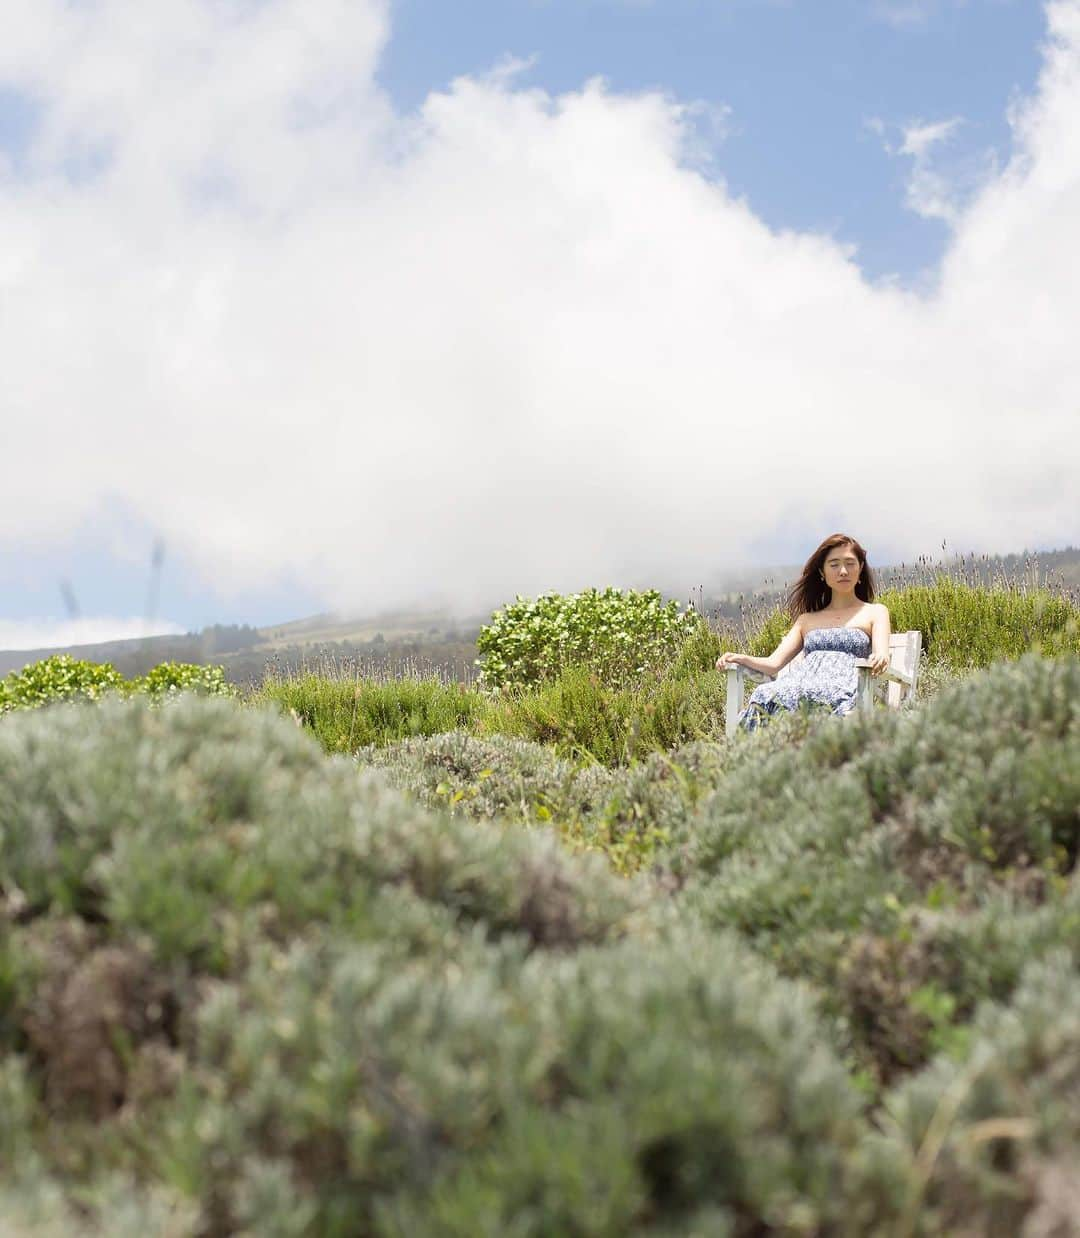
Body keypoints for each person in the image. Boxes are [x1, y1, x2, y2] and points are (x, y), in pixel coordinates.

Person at [715, 533, 891, 732]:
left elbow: (881, 653)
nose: (843, 571)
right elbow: (773, 665)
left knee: (825, 696)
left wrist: (880, 658)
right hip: (800, 684)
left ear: (860, 569)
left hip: (844, 686)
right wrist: (740, 658)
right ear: (822, 573)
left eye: (850, 563)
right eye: (834, 564)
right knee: (765, 694)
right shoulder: (806, 620)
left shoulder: (875, 612)